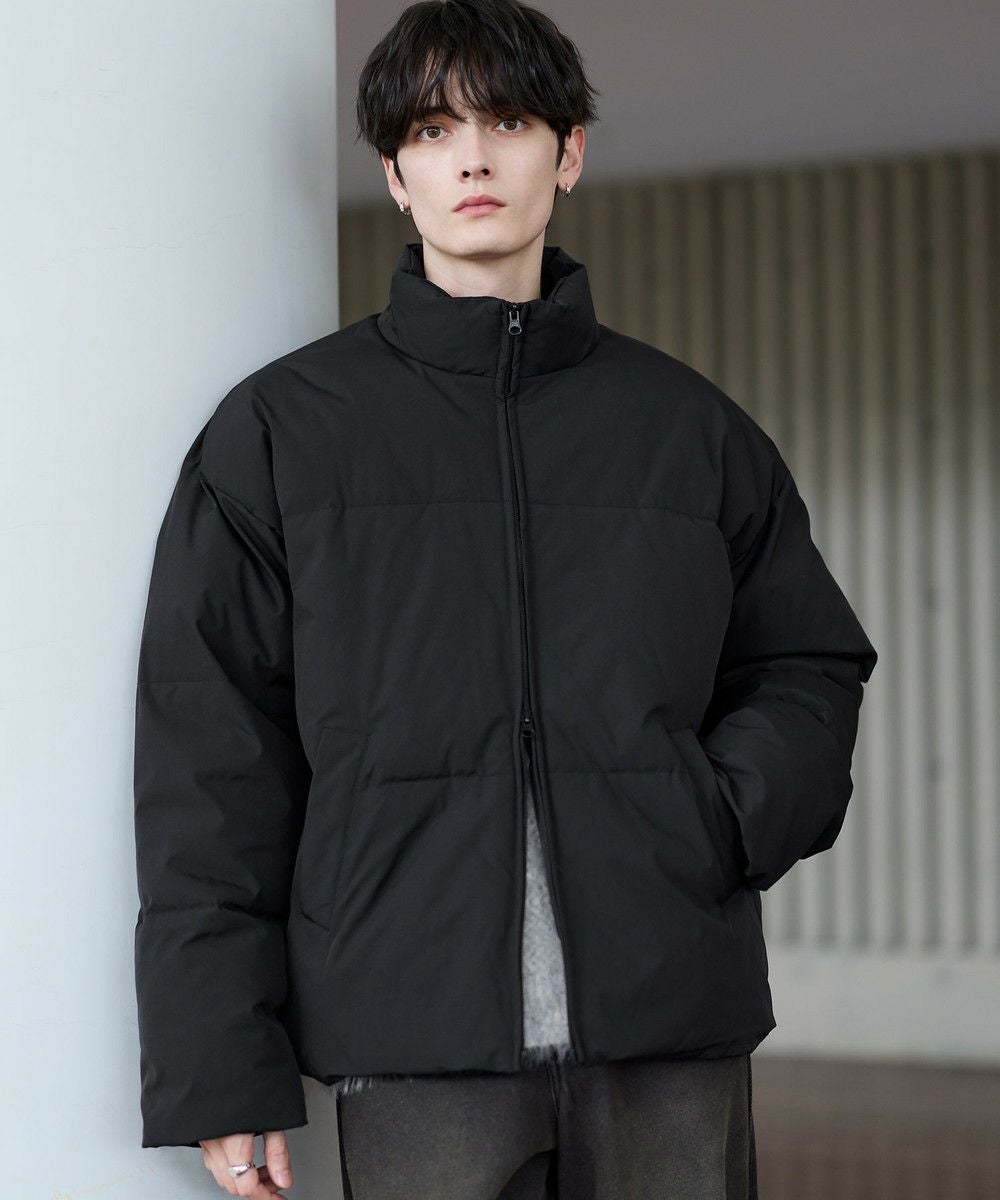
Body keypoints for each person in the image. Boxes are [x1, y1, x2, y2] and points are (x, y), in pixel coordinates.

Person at [131, 0, 878, 1196]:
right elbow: (209, 758)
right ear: (395, 175)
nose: (472, 158)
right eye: (432, 131)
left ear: (567, 153)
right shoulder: (280, 435)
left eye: (510, 122)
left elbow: (807, 663)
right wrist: (222, 1065)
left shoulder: (688, 430)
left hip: (667, 1019)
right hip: (409, 1034)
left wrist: (714, 821)